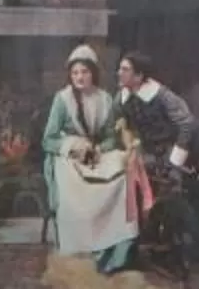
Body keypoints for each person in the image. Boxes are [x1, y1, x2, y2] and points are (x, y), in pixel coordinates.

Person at [115, 52, 199, 275]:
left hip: (175, 154)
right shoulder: (122, 97)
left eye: (125, 69)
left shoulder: (162, 96)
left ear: (139, 75)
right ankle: (139, 250)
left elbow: (188, 125)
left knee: (174, 197)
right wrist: (131, 142)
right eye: (120, 68)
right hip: (147, 155)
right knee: (126, 191)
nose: (119, 73)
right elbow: (123, 125)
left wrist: (175, 160)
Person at [40, 44, 137, 274]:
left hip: (95, 154)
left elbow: (111, 139)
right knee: (75, 186)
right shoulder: (62, 100)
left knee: (121, 172)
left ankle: (113, 251)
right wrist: (75, 146)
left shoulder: (105, 99)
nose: (79, 77)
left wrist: (97, 150)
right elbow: (48, 140)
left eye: (84, 72)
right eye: (75, 73)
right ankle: (81, 252)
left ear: (93, 72)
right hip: (67, 157)